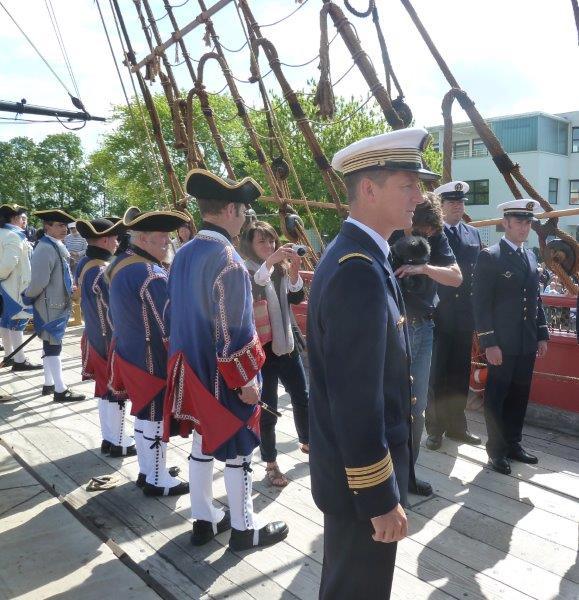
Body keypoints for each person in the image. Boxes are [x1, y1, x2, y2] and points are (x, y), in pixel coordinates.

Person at [308, 128, 438, 600]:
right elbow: (356, 401)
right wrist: (380, 499)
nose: (419, 198)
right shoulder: (358, 271)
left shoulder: (361, 258)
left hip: (357, 479)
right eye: (408, 185)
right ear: (369, 188)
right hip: (362, 486)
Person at [165, 168, 289, 551]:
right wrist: (245, 382)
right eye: (244, 211)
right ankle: (243, 528)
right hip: (221, 373)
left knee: (201, 444)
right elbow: (232, 331)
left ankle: (204, 520)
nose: (246, 219)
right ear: (232, 209)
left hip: (189, 370)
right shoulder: (229, 260)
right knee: (238, 451)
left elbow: (173, 313)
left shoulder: (183, 254)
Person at [108, 207, 190, 496]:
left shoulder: (121, 264)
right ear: (142, 239)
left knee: (144, 414)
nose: (167, 242)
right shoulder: (149, 272)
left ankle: (148, 470)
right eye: (161, 238)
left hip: (129, 352)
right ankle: (157, 479)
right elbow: (167, 322)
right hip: (151, 357)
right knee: (154, 415)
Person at [389, 194, 462, 496]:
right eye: (421, 230)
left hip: (424, 327)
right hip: (393, 328)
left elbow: (456, 278)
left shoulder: (436, 233)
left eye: (431, 232)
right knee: (390, 406)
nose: (427, 236)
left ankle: (407, 475)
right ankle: (385, 479)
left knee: (416, 409)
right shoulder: (390, 230)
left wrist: (425, 269)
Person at [473, 199, 549, 475]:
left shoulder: (529, 256)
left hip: (526, 342)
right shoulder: (490, 256)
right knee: (497, 397)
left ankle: (514, 444)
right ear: (505, 223)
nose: (524, 227)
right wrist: (489, 342)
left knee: (520, 395)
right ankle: (496, 451)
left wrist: (541, 334)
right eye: (519, 222)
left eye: (528, 222)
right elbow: (480, 304)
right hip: (501, 345)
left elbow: (535, 299)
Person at [240, 220, 309, 488]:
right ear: (250, 245)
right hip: (262, 348)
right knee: (268, 408)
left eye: (271, 241)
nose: (269, 246)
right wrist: (270, 262)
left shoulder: (277, 268)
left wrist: (294, 272)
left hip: (286, 342)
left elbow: (296, 298)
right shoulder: (246, 271)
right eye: (262, 242)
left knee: (302, 397)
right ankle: (270, 462)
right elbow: (256, 287)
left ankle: (307, 441)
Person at [426, 181, 482, 451]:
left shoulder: (473, 234)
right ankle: (435, 429)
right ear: (441, 207)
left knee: (460, 374)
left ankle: (457, 427)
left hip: (463, 317)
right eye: (452, 203)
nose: (458, 207)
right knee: (437, 375)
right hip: (438, 316)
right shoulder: (431, 235)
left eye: (461, 202)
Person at [75, 217, 135, 458]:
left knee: (104, 390)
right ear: (105, 239)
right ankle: (120, 442)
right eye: (115, 237)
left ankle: (110, 437)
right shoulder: (101, 270)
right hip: (108, 339)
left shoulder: (86, 263)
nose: (117, 241)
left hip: (94, 336)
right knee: (116, 391)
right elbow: (116, 309)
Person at [23, 209, 85, 402]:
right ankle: (60, 389)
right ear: (47, 226)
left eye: (65, 225)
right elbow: (39, 281)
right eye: (59, 225)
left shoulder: (54, 244)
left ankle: (49, 384)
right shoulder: (45, 248)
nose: (64, 229)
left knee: (49, 343)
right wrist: (27, 296)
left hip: (55, 304)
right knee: (53, 346)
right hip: (50, 305)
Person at [0, 204, 41, 371]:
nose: (25, 221)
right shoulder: (13, 236)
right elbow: (8, 264)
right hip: (14, 287)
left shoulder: (5, 233)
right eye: (23, 218)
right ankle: (19, 360)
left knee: (5, 321)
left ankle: (9, 355)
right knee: (18, 320)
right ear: (14, 218)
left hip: (6, 286)